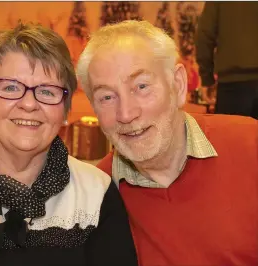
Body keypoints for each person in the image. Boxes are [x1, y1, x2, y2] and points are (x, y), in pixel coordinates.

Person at [0, 23, 138, 266]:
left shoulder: (96, 194)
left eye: (47, 91)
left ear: (65, 111)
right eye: (11, 87)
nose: (29, 104)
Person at [77, 20, 258, 266]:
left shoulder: (250, 144)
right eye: (107, 97)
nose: (127, 114)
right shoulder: (96, 197)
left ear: (178, 84)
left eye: (141, 86)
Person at [195, 2, 258, 119]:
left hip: (232, 87)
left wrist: (206, 78)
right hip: (232, 84)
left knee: (231, 135)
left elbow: (205, 35)